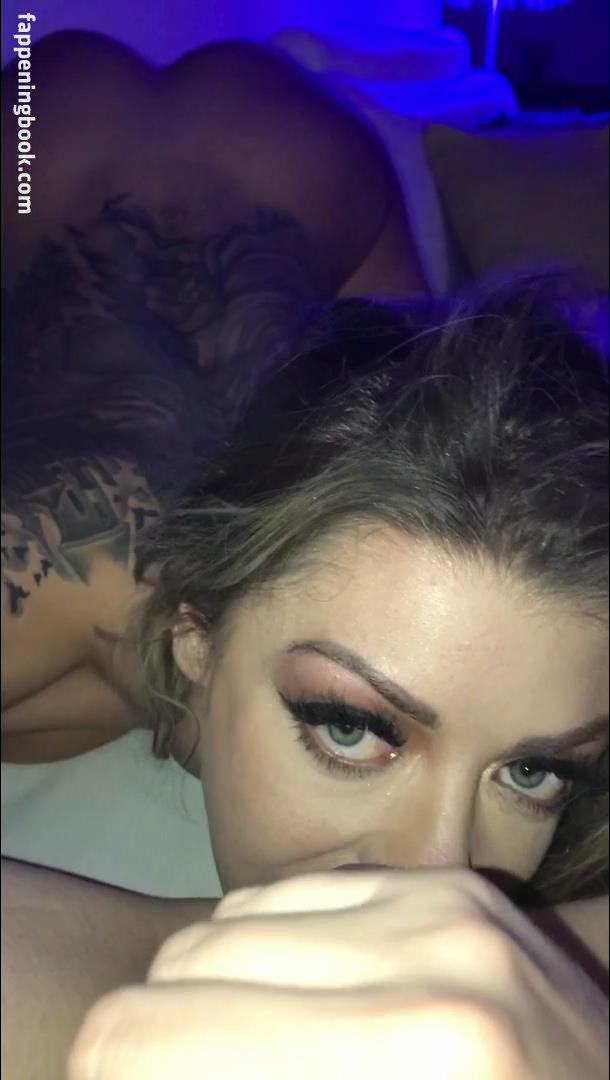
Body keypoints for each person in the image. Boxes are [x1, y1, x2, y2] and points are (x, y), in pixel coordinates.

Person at [2, 278, 608, 1077]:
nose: (443, 879)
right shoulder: (66, 561)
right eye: (349, 728)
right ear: (194, 640)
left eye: (533, 773)